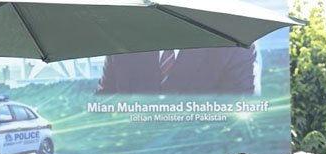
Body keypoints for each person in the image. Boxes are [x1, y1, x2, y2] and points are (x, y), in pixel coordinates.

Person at [96, 46, 257, 95]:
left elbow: (237, 112)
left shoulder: (232, 47)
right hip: (131, 153)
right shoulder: (122, 42)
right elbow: (103, 104)